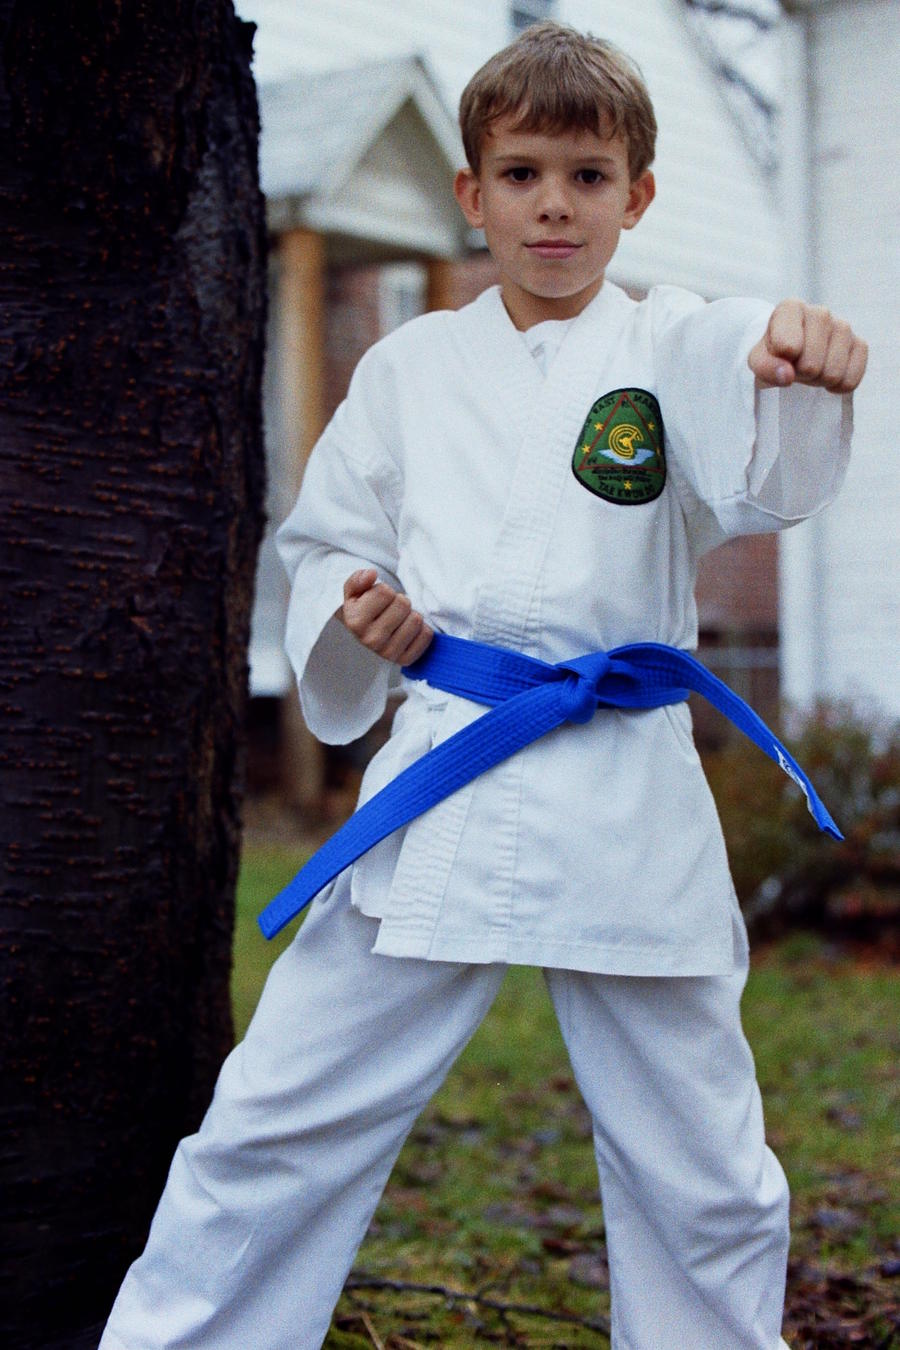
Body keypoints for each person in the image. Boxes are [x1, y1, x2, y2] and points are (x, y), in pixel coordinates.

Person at [100, 21, 867, 1350]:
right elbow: (331, 544)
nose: (553, 204)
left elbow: (739, 390)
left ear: (637, 197)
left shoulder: (670, 342)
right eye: (522, 174)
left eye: (587, 175)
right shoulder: (407, 369)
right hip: (446, 769)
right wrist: (365, 612)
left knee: (702, 1163)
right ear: (472, 193)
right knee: (277, 1117)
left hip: (624, 787)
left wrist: (789, 355)